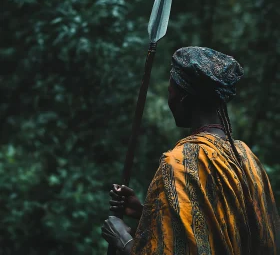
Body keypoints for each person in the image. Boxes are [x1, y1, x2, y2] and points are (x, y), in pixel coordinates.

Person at [101, 47, 280, 254]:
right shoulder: (246, 157)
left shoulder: (179, 164)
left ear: (184, 98)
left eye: (171, 92)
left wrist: (122, 240)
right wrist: (146, 213)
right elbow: (213, 230)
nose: (170, 101)